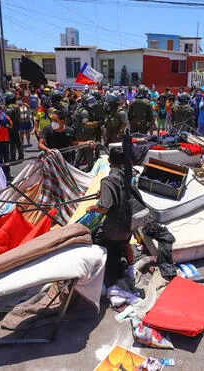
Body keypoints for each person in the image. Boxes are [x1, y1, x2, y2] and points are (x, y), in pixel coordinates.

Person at [86, 146, 134, 285]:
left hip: (114, 227)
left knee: (100, 243)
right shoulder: (127, 175)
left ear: (109, 161)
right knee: (126, 243)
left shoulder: (107, 180)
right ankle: (131, 269)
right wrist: (103, 193)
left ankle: (108, 278)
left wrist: (92, 208)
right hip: (128, 222)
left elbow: (104, 208)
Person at [73, 94, 100, 170]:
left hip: (81, 133)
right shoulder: (85, 111)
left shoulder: (81, 108)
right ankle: (91, 168)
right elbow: (86, 124)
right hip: (85, 134)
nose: (92, 103)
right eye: (90, 101)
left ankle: (75, 165)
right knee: (89, 150)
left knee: (81, 150)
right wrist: (96, 124)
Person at [3, 91, 25, 161]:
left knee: (12, 142)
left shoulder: (9, 108)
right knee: (18, 141)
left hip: (11, 127)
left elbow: (7, 119)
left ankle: (12, 157)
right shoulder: (16, 106)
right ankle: (21, 154)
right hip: (16, 125)